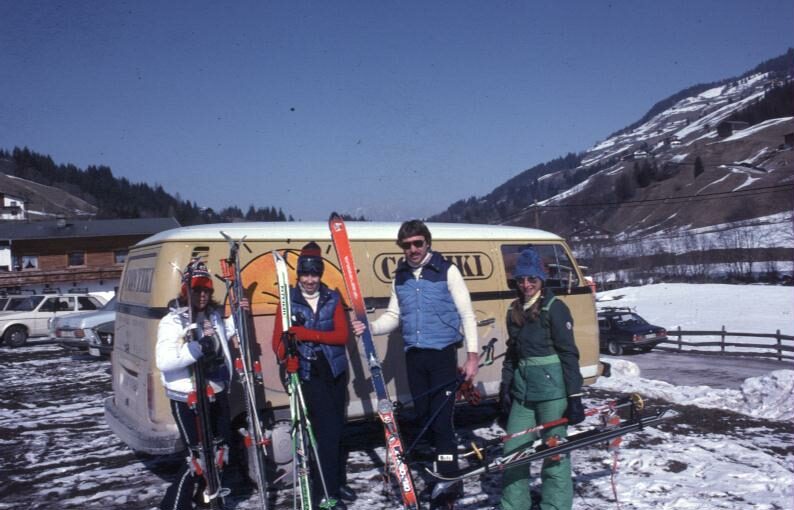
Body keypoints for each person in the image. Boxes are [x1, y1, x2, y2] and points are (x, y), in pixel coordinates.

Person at [352, 219, 479, 506]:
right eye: (407, 245)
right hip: (415, 358)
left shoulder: (448, 271)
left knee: (441, 421)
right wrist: (369, 327)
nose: (413, 250)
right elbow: (394, 317)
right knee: (424, 417)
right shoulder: (400, 277)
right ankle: (441, 470)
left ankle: (449, 481)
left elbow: (467, 314)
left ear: (427, 243)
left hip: (442, 356)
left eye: (418, 243)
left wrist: (472, 357)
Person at [499, 247, 585, 510]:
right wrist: (505, 387)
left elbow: (569, 354)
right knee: (512, 453)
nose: (526, 285)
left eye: (531, 279)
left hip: (553, 393)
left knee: (554, 453)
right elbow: (512, 355)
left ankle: (555, 506)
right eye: (521, 279)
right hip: (523, 394)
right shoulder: (513, 311)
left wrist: (575, 397)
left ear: (541, 279)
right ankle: (514, 505)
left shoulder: (555, 308)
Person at [272, 242, 356, 510]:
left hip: (334, 371)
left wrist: (307, 334)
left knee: (337, 431)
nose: (310, 280)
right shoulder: (288, 301)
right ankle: (326, 494)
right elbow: (278, 342)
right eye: (305, 275)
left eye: (314, 274)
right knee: (325, 434)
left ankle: (336, 481)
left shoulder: (332, 298)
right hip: (309, 374)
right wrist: (288, 357)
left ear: (320, 274)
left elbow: (342, 336)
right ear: (298, 276)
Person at [155, 261, 236, 510]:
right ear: (185, 291)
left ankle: (208, 501)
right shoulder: (173, 322)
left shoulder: (212, 315)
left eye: (207, 290)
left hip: (217, 391)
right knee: (197, 457)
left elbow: (224, 336)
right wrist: (195, 349)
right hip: (187, 396)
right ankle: (173, 505)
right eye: (197, 290)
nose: (202, 295)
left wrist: (238, 317)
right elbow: (164, 361)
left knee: (220, 451)